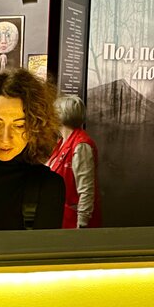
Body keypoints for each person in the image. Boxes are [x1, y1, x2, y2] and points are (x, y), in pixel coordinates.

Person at [0, 68, 65, 230]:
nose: (5, 138)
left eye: (19, 126)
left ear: (35, 127)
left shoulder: (47, 186)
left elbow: (44, 246)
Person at [46, 94, 102, 228]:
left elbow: (86, 190)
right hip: (61, 219)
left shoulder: (81, 145)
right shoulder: (62, 143)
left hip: (73, 223)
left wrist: (81, 225)